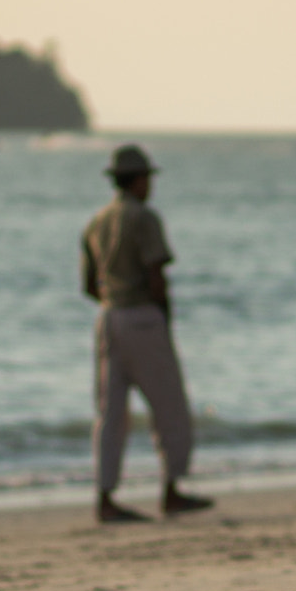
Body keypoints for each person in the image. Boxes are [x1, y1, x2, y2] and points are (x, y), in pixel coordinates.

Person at [81, 144, 211, 522]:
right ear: (137, 180)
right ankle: (171, 488)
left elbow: (89, 284)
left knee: (109, 413)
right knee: (169, 406)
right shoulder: (143, 218)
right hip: (140, 315)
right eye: (147, 178)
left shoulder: (96, 221)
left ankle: (105, 496)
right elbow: (157, 276)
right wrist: (163, 318)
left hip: (108, 317)